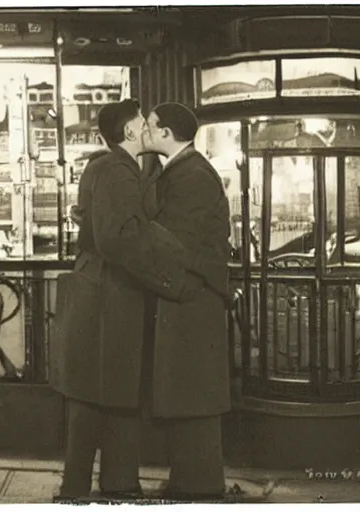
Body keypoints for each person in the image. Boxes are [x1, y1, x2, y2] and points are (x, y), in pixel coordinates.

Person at [52, 99, 206, 502]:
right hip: (110, 297)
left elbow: (100, 222)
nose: (147, 127)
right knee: (106, 393)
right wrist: (167, 277)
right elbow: (120, 238)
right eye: (142, 122)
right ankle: (96, 487)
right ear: (129, 132)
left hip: (102, 294)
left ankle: (108, 483)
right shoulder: (120, 169)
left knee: (105, 394)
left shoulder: (104, 166)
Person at [140, 102, 231, 501]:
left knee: (191, 392)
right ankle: (191, 480)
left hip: (192, 297)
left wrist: (135, 230)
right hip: (192, 295)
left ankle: (198, 487)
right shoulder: (184, 169)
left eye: (150, 126)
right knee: (188, 391)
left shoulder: (190, 175)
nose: (144, 131)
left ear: (166, 133)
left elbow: (178, 239)